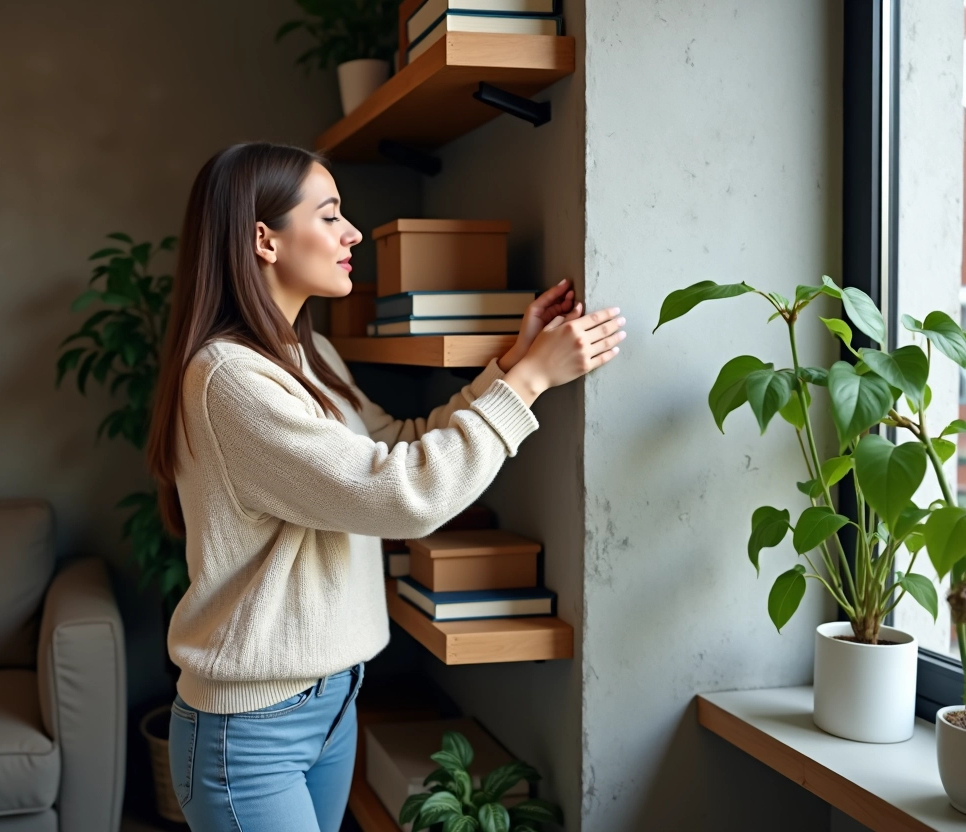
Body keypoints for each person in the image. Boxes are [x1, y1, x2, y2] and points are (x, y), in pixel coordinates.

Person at [146, 142, 624, 832]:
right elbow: (399, 495)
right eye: (331, 214)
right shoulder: (229, 380)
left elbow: (391, 444)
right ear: (264, 239)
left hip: (333, 704)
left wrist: (509, 365)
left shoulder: (303, 352)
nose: (353, 233)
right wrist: (531, 383)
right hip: (250, 736)